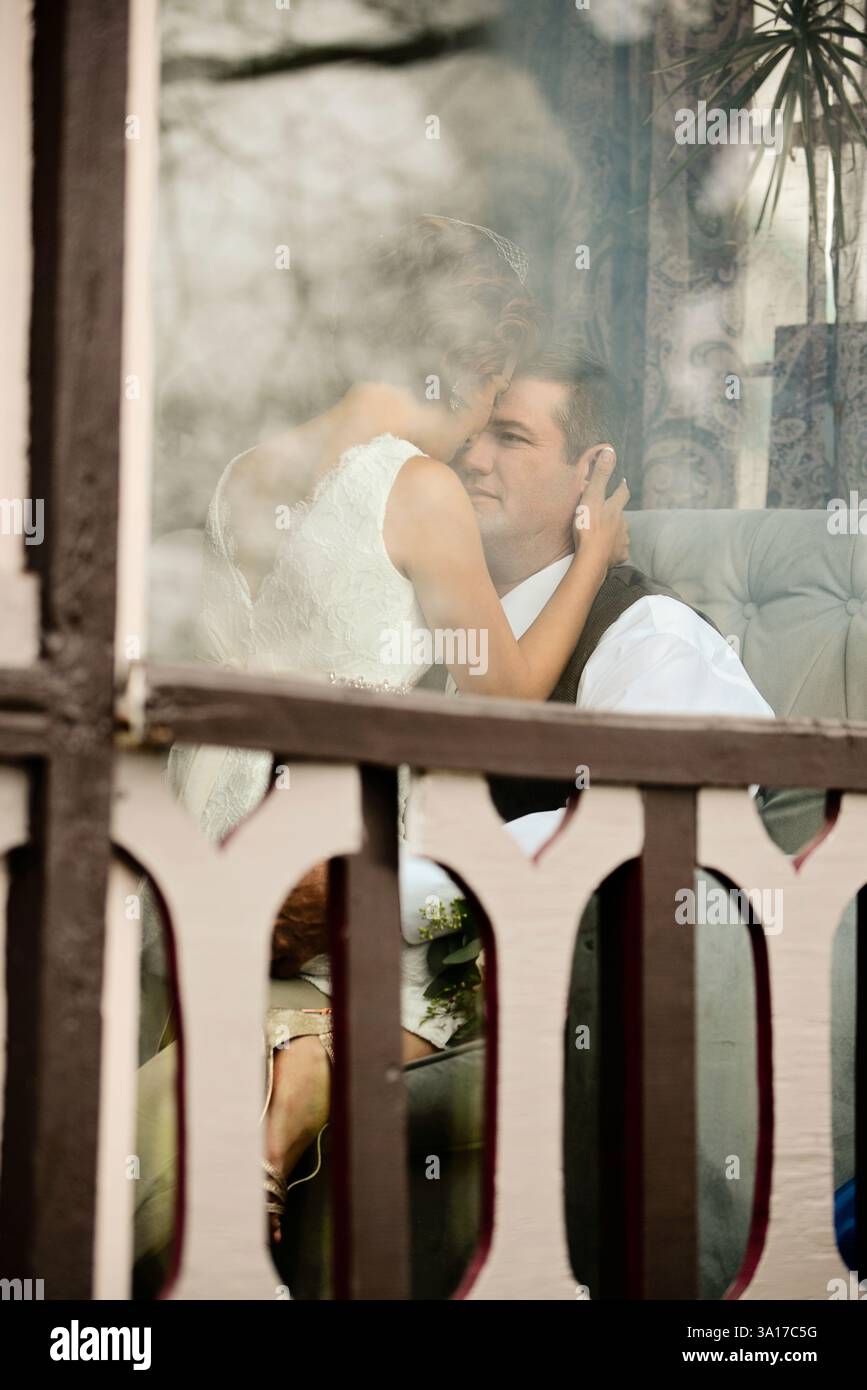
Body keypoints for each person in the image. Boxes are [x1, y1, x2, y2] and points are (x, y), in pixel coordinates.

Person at [134, 220, 630, 1273]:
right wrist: (592, 556)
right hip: (327, 856)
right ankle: (304, 1072)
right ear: (474, 358)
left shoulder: (258, 465)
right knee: (510, 932)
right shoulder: (416, 488)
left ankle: (274, 1085)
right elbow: (506, 694)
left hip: (211, 831)